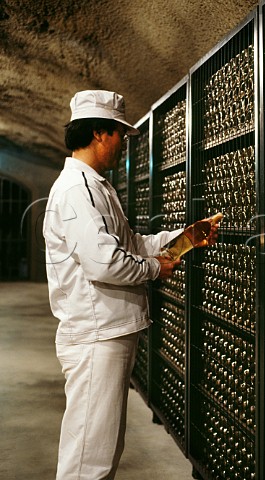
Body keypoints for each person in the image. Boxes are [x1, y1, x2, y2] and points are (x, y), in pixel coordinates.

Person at [43, 89, 219, 479]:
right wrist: (155, 269)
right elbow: (104, 262)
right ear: (100, 134)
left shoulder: (97, 186)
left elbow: (130, 245)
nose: (124, 143)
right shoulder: (78, 191)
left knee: (99, 448)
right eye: (120, 133)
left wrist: (184, 238)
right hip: (96, 335)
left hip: (107, 332)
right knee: (90, 457)